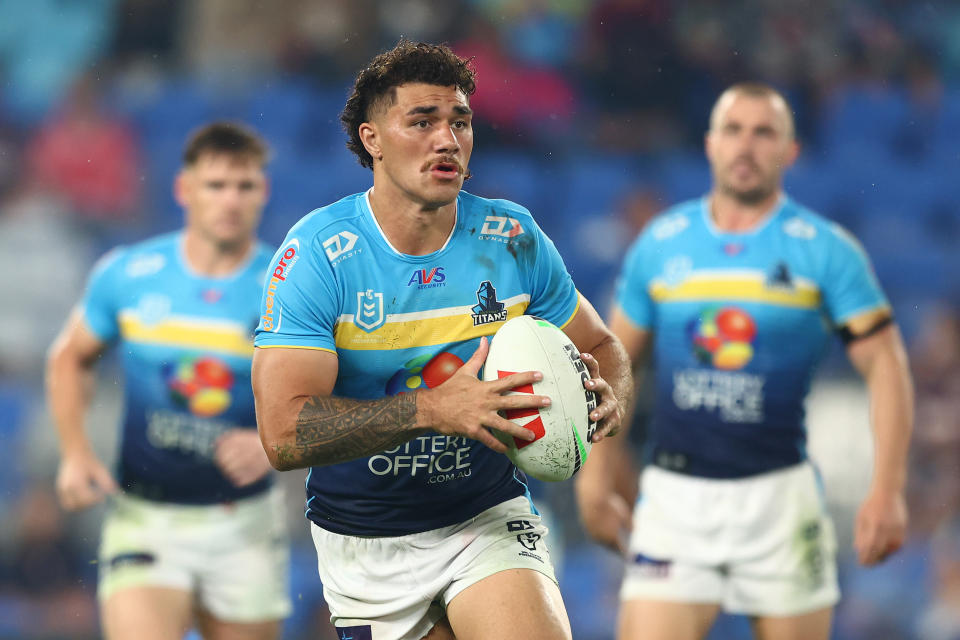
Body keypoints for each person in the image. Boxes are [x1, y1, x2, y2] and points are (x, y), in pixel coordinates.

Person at [252, 40, 631, 640]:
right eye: (422, 122)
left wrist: (609, 396)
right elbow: (282, 434)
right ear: (372, 138)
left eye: (460, 121)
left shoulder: (511, 237)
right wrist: (432, 408)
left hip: (483, 514)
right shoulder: (317, 255)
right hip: (366, 541)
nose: (447, 139)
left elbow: (604, 347)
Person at [575, 82, 914, 640]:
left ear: (790, 151)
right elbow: (610, 363)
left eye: (764, 133)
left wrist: (887, 489)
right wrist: (595, 481)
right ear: (710, 145)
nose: (746, 146)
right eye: (734, 130)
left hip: (782, 501)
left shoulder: (825, 250)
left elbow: (887, 366)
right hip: (676, 502)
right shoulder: (662, 243)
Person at [46, 122, 291, 640]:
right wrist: (75, 451)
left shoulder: (287, 287)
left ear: (263, 192)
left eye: (244, 186)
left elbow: (335, 393)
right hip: (146, 517)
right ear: (184, 190)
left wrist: (273, 446)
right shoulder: (129, 273)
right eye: (215, 185)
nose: (230, 200)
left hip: (244, 522)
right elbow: (69, 358)